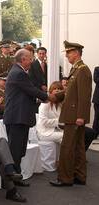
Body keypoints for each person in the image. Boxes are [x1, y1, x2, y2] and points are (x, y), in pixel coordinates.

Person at [3, 49, 53, 186]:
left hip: (20, 117)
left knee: (19, 151)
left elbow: (24, 94)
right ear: (23, 59)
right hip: (16, 118)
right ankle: (10, 185)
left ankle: (17, 178)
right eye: (30, 58)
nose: (32, 61)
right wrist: (48, 97)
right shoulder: (18, 73)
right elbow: (31, 89)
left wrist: (38, 100)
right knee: (15, 151)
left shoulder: (18, 72)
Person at [50, 40, 92, 187]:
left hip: (74, 116)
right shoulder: (76, 69)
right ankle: (80, 176)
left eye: (68, 52)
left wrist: (81, 116)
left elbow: (84, 96)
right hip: (73, 115)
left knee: (67, 147)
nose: (66, 55)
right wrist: (53, 96)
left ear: (76, 53)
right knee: (78, 147)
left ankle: (65, 178)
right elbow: (69, 92)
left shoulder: (82, 70)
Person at [92, 66, 99, 137]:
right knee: (97, 117)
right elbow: (96, 80)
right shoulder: (97, 69)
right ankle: (94, 134)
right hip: (98, 99)